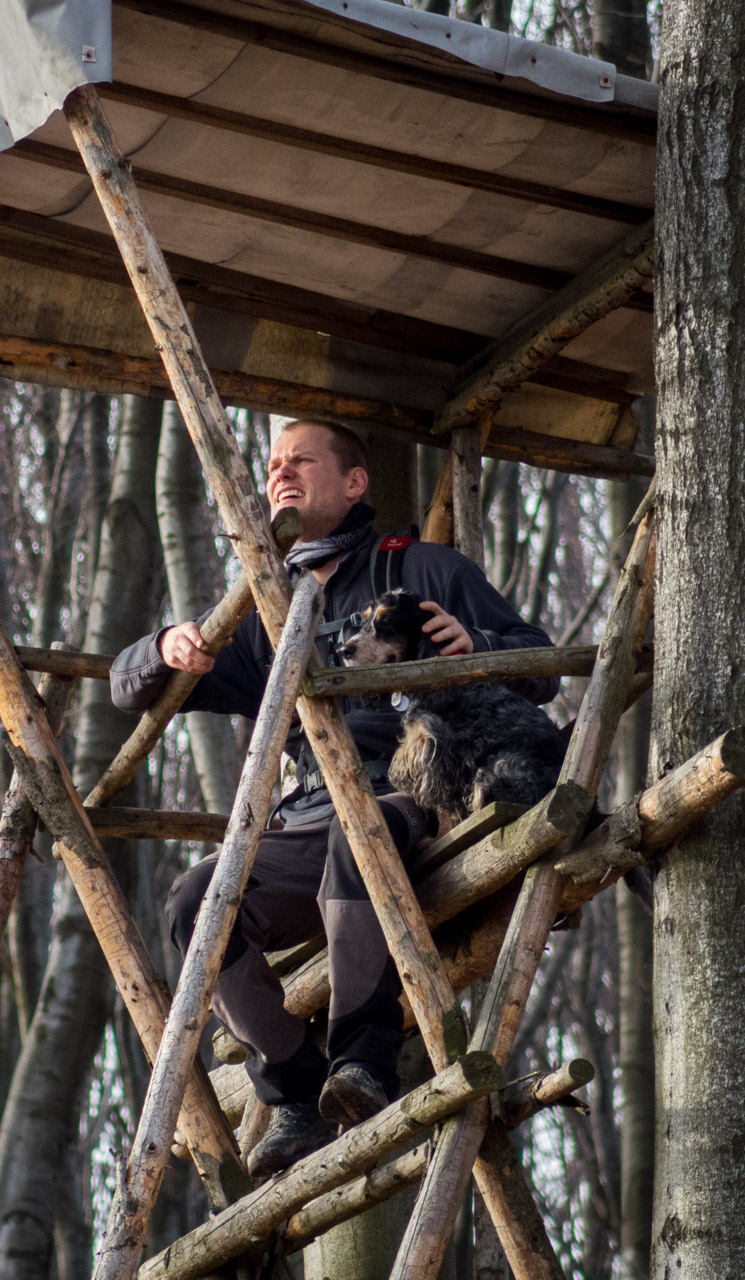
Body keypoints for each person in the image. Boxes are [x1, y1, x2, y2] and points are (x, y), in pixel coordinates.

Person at [109, 419, 559, 1176]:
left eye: (301, 461)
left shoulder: (421, 567)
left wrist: (475, 646)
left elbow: (542, 667)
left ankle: (364, 1066)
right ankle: (295, 1093)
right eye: (273, 463)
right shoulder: (265, 608)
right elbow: (128, 691)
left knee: (363, 828)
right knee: (196, 901)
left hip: (411, 794)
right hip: (302, 817)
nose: (280, 472)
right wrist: (163, 648)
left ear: (355, 483)